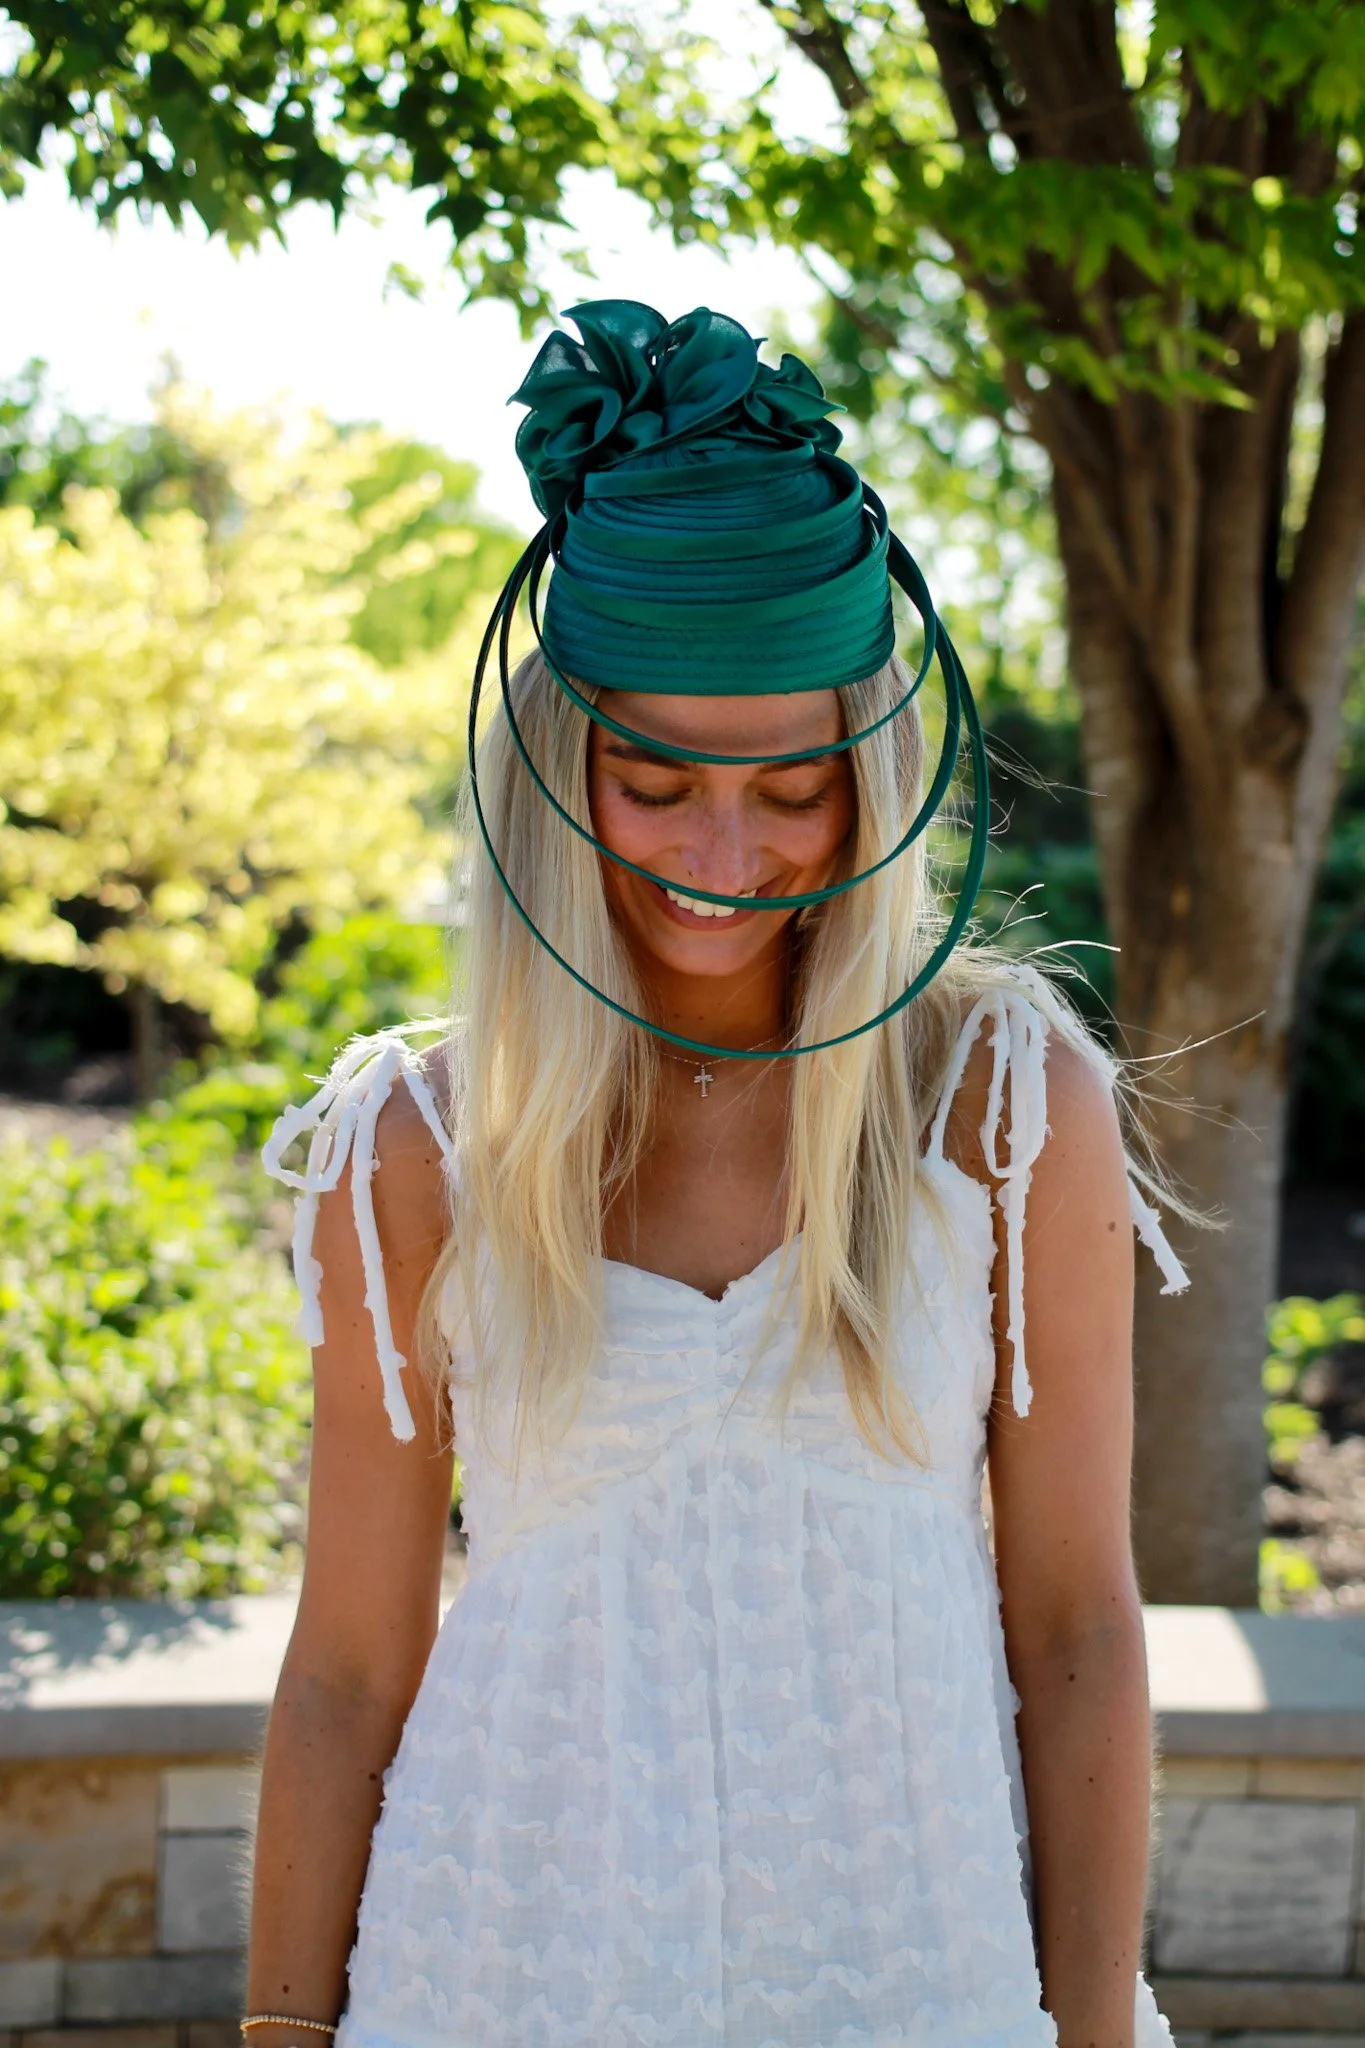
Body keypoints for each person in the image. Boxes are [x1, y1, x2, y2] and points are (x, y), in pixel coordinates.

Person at [250, 300, 1187, 2047]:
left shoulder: (1002, 1108)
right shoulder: (415, 1149)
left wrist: (1089, 2033)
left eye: (795, 790)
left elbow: (1075, 1628)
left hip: (920, 1969)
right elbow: (345, 1673)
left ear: (874, 788)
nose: (726, 856)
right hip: (498, 1974)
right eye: (655, 780)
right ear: (556, 776)